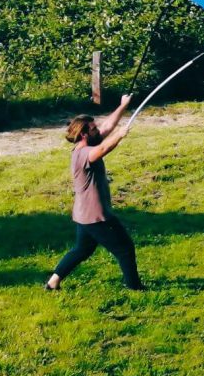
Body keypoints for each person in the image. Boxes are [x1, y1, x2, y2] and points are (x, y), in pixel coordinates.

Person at [45, 95, 145, 291]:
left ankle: (53, 282)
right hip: (96, 216)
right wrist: (120, 135)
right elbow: (105, 147)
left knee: (82, 249)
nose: (98, 130)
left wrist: (123, 105)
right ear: (84, 134)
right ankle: (135, 287)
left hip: (84, 215)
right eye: (93, 129)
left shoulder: (85, 144)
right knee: (124, 249)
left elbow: (106, 127)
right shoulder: (83, 154)